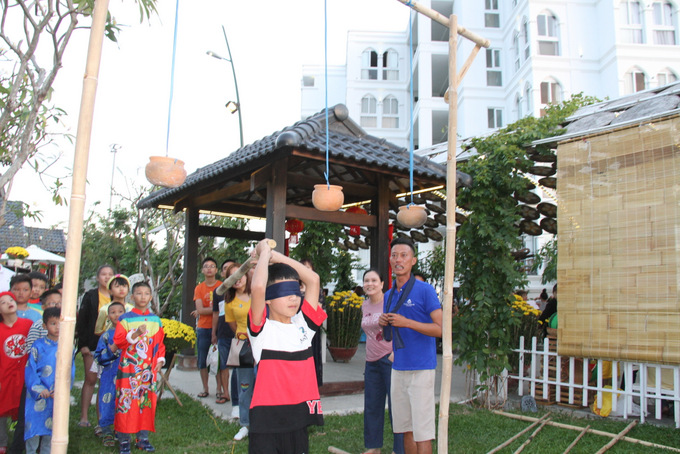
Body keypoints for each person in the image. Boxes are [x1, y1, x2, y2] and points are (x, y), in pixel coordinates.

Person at [247, 239, 326, 453]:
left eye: (295, 292)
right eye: (284, 293)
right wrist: (264, 253)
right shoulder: (261, 330)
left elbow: (313, 279)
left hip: (299, 417)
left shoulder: (304, 326)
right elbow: (258, 286)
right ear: (268, 300)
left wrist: (275, 256)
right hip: (267, 420)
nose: (293, 298)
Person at [379, 237, 442, 454]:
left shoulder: (425, 290)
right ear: (390, 259)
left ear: (413, 260)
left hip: (422, 369)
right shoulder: (388, 295)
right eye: (394, 255)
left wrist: (408, 323)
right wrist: (383, 323)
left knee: (422, 430)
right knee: (405, 428)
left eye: (404, 255)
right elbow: (388, 334)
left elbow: (440, 329)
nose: (398, 260)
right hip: (398, 369)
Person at [113, 281, 165, 454]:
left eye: (146, 294)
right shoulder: (125, 319)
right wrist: (135, 334)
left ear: (151, 297)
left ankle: (143, 438)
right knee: (125, 402)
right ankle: (124, 440)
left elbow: (159, 344)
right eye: (139, 293)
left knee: (146, 401)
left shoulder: (155, 320)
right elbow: (119, 341)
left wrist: (160, 360)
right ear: (131, 297)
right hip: (128, 369)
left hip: (148, 370)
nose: (142, 297)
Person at [361, 269, 404, 454]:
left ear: (382, 283)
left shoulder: (390, 303)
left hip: (389, 360)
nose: (369, 284)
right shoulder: (365, 305)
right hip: (371, 362)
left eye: (373, 280)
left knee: (397, 406)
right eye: (366, 281)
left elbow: (402, 328)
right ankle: (373, 447)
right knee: (372, 405)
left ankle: (399, 449)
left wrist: (395, 353)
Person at [24, 307, 74, 454]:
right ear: (45, 326)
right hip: (38, 396)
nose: (57, 327)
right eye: (53, 323)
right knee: (33, 429)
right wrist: (39, 389)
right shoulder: (37, 346)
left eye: (60, 323)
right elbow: (30, 369)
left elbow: (70, 371)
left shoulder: (68, 346)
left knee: (52, 430)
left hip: (56, 395)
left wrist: (63, 390)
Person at [75, 264, 115, 427]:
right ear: (98, 278)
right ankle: (84, 417)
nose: (106, 277)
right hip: (93, 343)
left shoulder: (117, 297)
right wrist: (83, 345)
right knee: (90, 379)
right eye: (103, 274)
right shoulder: (90, 296)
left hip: (112, 345)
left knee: (106, 381)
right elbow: (82, 321)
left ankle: (102, 418)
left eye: (110, 274)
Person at [0, 291, 33, 454]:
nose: (8, 303)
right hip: (5, 374)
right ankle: (2, 442)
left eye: (10, 300)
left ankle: (24, 442)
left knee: (24, 409)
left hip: (25, 374)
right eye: (3, 302)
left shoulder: (28, 324)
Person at [224, 263, 253, 441]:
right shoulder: (229, 303)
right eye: (232, 276)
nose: (237, 279)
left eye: (240, 274)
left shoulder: (258, 293)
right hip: (242, 345)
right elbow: (233, 326)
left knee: (264, 385)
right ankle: (245, 424)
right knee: (244, 387)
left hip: (263, 344)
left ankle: (263, 423)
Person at [94, 302, 125, 448]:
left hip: (126, 374)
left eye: (120, 311)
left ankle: (121, 430)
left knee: (123, 401)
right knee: (107, 400)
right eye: (113, 312)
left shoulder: (130, 334)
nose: (117, 315)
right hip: (109, 373)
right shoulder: (106, 336)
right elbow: (99, 357)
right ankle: (106, 430)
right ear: (108, 316)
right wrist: (111, 351)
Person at [192, 257, 222, 398]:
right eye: (206, 266)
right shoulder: (199, 288)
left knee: (219, 360)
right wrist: (215, 309)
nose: (209, 268)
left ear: (216, 270)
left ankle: (219, 389)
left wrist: (205, 309)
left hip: (220, 327)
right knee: (203, 359)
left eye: (212, 266)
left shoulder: (222, 286)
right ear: (203, 270)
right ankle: (205, 388)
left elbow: (224, 309)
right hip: (203, 327)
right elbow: (201, 310)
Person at [211, 260, 237, 407]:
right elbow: (215, 313)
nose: (229, 271)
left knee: (240, 366)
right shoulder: (218, 291)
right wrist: (213, 332)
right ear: (222, 273)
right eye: (225, 269)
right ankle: (225, 392)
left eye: (232, 269)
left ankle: (239, 394)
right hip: (223, 332)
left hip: (239, 334)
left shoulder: (242, 288)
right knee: (223, 364)